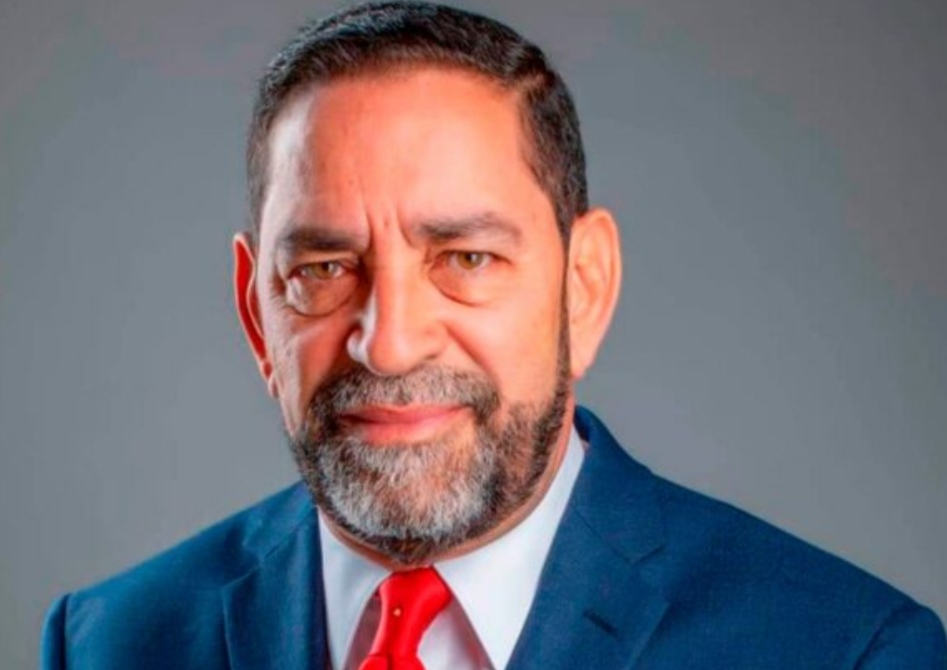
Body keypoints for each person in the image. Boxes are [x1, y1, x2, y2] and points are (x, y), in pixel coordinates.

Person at [40, 2, 946, 668]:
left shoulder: (843, 650)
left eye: (465, 258)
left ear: (583, 288)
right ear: (254, 311)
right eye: (323, 268)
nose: (389, 344)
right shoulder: (109, 645)